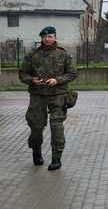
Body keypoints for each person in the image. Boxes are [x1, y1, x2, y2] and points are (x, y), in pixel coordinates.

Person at [18, 26, 77, 171]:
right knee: (36, 127)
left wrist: (57, 80)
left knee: (56, 127)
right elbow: (22, 73)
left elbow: (72, 73)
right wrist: (32, 80)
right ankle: (36, 153)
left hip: (58, 95)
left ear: (55, 37)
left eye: (50, 36)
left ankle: (56, 159)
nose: (47, 39)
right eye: (45, 37)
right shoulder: (33, 55)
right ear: (41, 38)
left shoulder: (63, 54)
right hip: (38, 95)